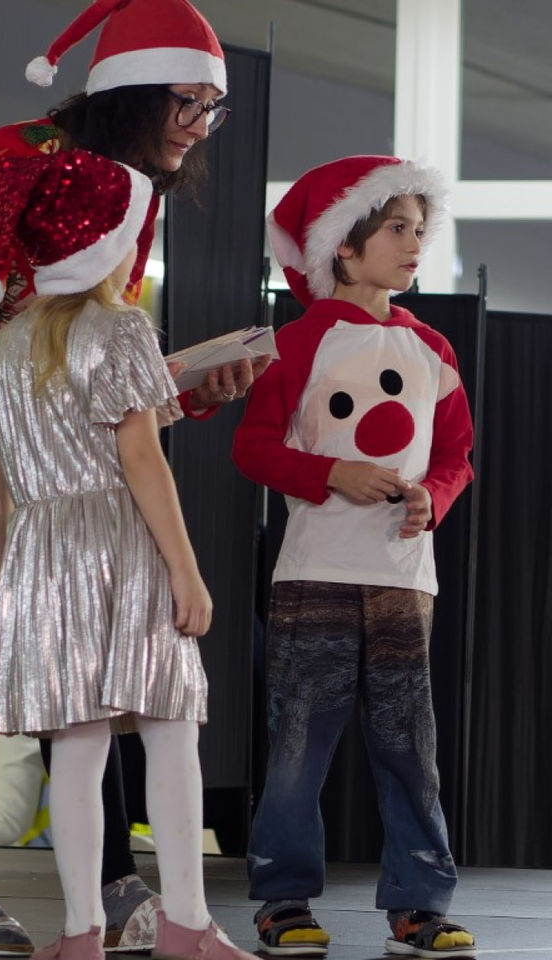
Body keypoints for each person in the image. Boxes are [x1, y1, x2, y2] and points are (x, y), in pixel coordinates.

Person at [0, 0, 268, 953]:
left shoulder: (134, 184)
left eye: (212, 108)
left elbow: (82, 346)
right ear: (131, 93)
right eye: (185, 103)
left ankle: (114, 889)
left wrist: (177, 383)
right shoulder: (9, 161)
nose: (198, 127)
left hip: (12, 394)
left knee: (75, 647)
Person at [0, 146, 259, 960]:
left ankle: (83, 929)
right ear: (107, 245)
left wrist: (5, 581)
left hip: (37, 553)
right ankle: (186, 924)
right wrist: (187, 571)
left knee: (76, 750)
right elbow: (141, 459)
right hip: (120, 541)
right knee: (169, 730)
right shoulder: (120, 329)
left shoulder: (2, 349)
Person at [232, 155, 477, 958]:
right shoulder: (296, 344)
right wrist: (330, 471)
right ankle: (282, 900)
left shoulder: (434, 348)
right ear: (345, 245)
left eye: (419, 228)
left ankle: (419, 903)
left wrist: (431, 499)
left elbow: (458, 455)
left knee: (411, 745)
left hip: (405, 580)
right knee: (300, 741)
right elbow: (255, 446)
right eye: (396, 229)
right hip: (315, 574)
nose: (414, 243)